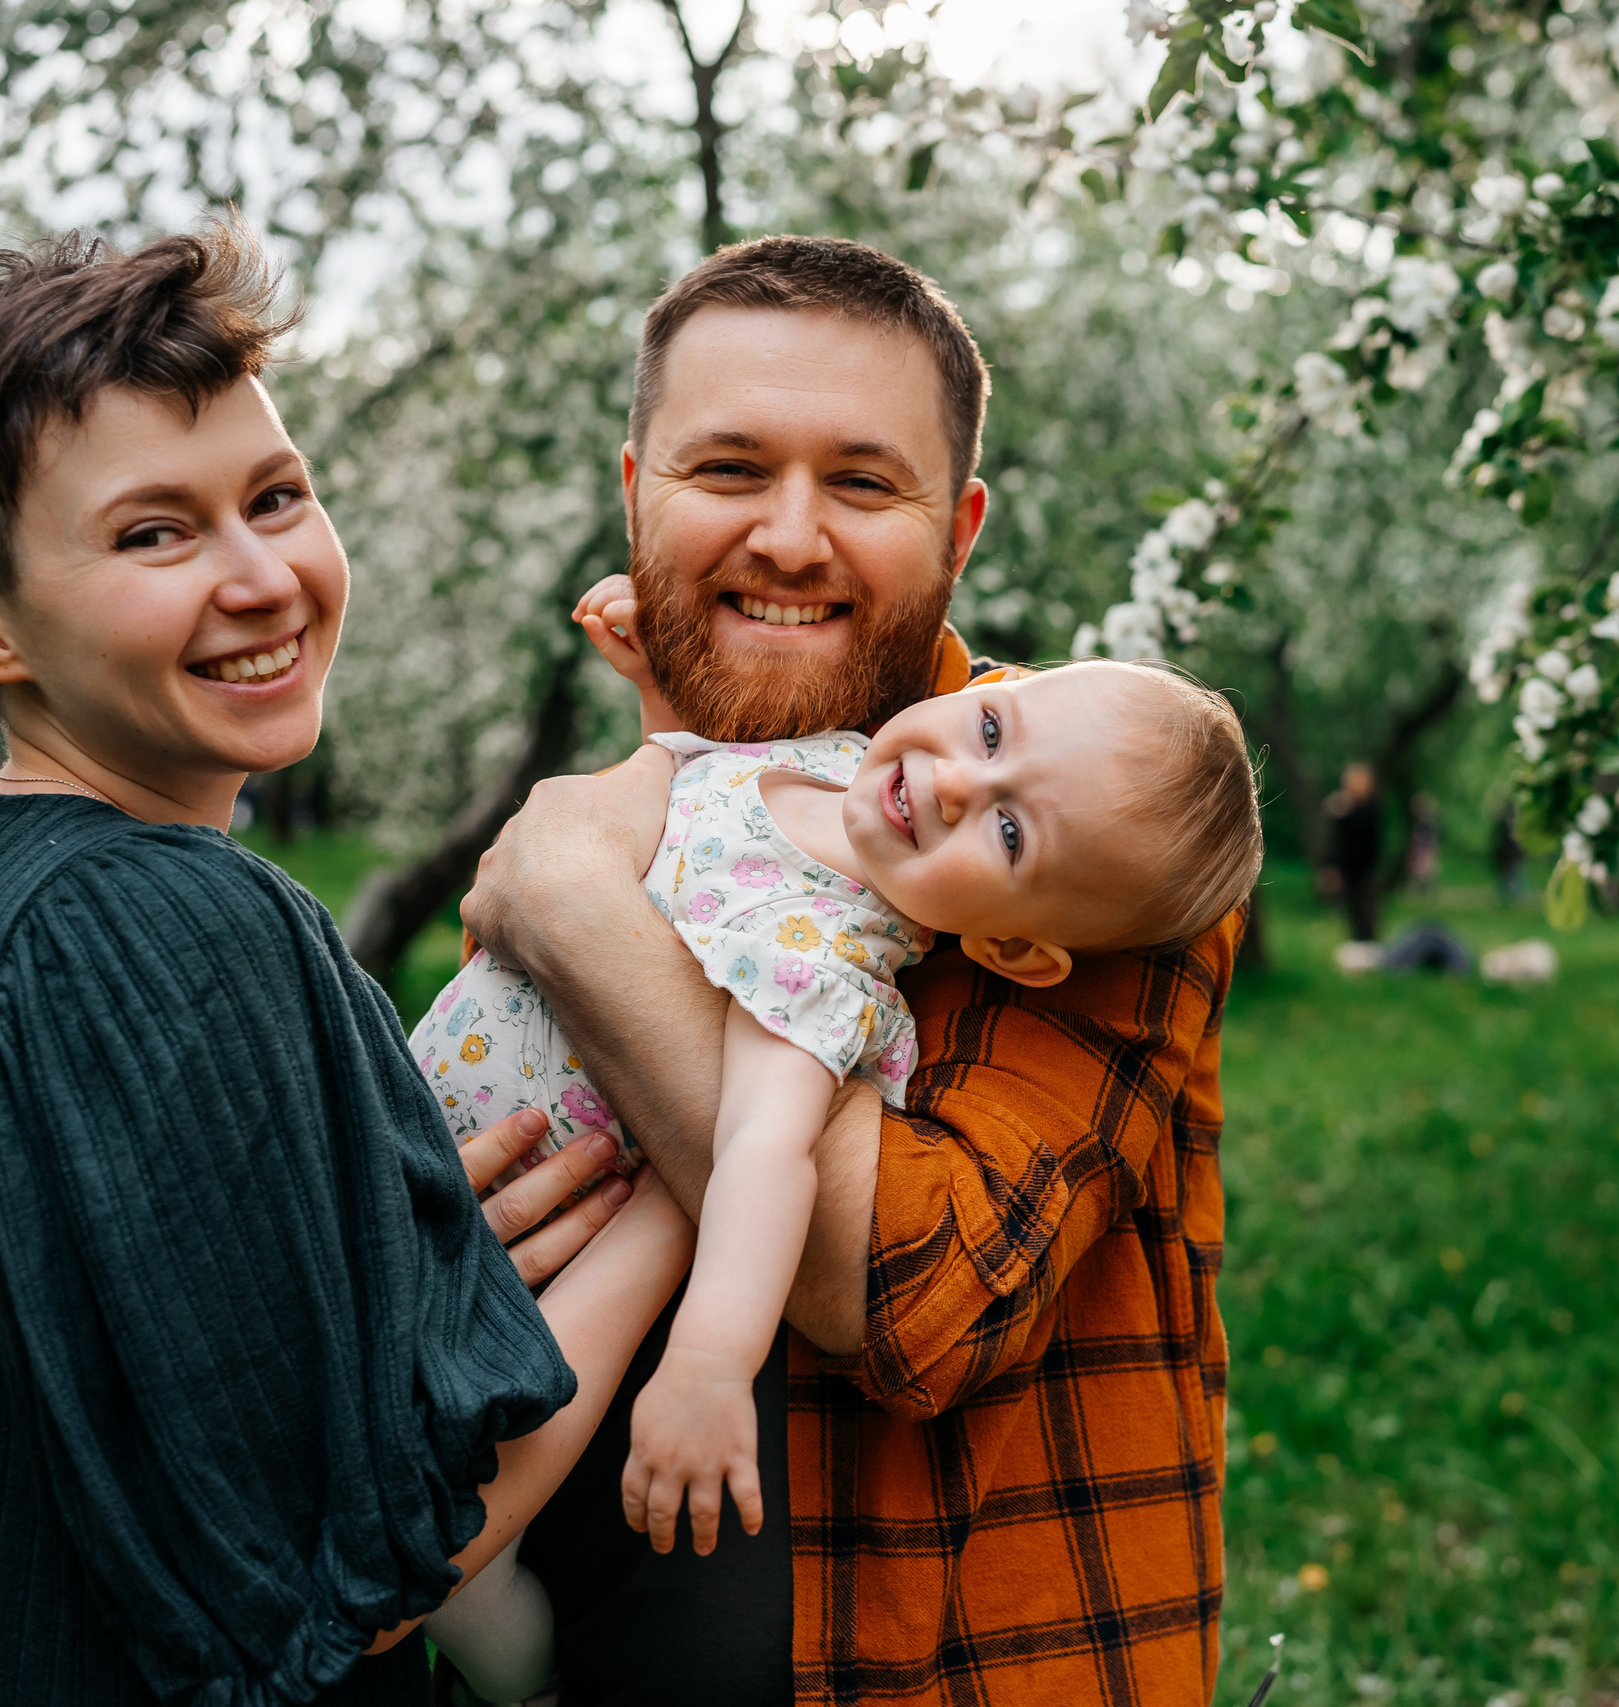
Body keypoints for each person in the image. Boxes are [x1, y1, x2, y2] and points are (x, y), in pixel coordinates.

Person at [0, 227, 695, 1706]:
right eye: (153, 534)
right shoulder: (163, 925)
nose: (263, 578)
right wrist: (679, 1209)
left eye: (275, 496)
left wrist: (359, 1280)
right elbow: (368, 1574)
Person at [456, 236, 1247, 1706]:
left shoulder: (1104, 836)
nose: (792, 538)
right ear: (637, 494)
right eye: (731, 469)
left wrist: (580, 908)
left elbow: (921, 1291)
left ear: (961, 527)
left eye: (865, 484)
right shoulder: (661, 795)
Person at [417, 660, 1259, 1702]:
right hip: (415, 1145)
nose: (958, 784)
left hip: (539, 1241)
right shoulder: (827, 758)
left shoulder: (827, 956)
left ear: (1005, 943)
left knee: (446, 1546)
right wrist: (658, 672)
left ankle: (520, 1679)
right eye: (990, 732)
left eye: (1008, 834)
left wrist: (710, 1362)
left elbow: (763, 1153)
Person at [1319, 760, 1384, 942]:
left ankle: (1368, 947)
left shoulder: (1369, 808)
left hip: (1366, 867)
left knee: (1367, 910)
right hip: (1348, 867)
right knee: (1353, 910)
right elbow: (1336, 841)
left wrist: (1343, 811)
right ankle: (1359, 946)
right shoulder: (1343, 807)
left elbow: (1363, 830)